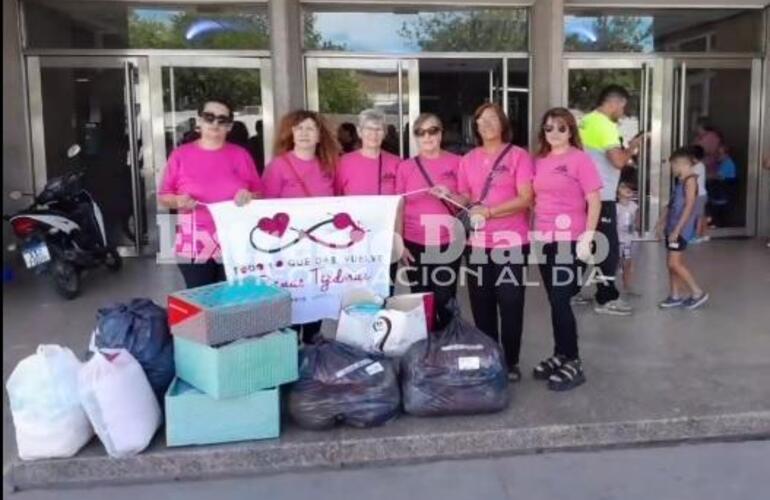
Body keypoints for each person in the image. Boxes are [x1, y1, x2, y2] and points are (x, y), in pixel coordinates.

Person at [440, 103, 534, 382]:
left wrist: (490, 212)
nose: (486, 125)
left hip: (511, 242)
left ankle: (511, 361)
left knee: (511, 301)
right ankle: (490, 357)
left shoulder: (518, 156)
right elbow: (466, 197)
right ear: (476, 127)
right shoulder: (467, 159)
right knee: (481, 303)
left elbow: (526, 198)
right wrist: (448, 195)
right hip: (478, 244)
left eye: (492, 120)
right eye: (481, 121)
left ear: (503, 124)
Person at [531, 108, 602, 391]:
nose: (554, 134)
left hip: (570, 239)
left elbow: (594, 200)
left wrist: (588, 236)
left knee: (561, 300)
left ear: (570, 131)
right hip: (544, 239)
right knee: (554, 300)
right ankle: (560, 352)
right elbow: (534, 199)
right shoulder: (539, 161)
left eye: (561, 128)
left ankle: (573, 360)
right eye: (549, 128)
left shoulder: (579, 159)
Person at [159, 98, 263, 289]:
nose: (215, 123)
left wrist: (248, 196)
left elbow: (259, 194)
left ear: (229, 126)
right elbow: (164, 196)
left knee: (231, 303)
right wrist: (178, 201)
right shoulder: (180, 155)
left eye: (222, 120)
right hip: (195, 242)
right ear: (199, 121)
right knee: (200, 303)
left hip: (235, 241)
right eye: (209, 117)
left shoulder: (241, 155)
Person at [263, 110, 339, 343]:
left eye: (310, 128)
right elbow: (266, 209)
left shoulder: (329, 166)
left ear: (319, 136)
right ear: (291, 134)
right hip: (289, 249)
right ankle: (290, 349)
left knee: (317, 294)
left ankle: (312, 348)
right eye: (299, 128)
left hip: (320, 247)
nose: (304, 133)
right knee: (293, 297)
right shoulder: (278, 166)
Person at [576, 85, 644, 316]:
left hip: (584, 194)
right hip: (601, 196)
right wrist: (632, 148)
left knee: (587, 244)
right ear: (614, 102)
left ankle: (569, 291)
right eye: (622, 107)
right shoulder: (605, 125)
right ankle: (606, 298)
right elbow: (617, 161)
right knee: (608, 248)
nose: (622, 113)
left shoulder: (586, 121)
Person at [395, 113, 462, 329]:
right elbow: (399, 205)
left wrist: (449, 195)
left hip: (447, 241)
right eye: (420, 132)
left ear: (441, 133)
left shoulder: (457, 162)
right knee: (421, 298)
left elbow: (468, 198)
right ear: (415, 137)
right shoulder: (405, 167)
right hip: (414, 241)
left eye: (432, 130)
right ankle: (426, 349)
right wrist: (399, 241)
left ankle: (447, 342)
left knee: (444, 298)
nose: (427, 136)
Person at [336, 109, 402, 294]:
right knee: (355, 293)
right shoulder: (343, 163)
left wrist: (398, 238)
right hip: (354, 242)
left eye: (379, 129)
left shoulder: (397, 163)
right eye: (369, 129)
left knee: (385, 292)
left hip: (386, 239)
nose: (374, 134)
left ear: (385, 133)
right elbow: (336, 202)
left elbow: (400, 205)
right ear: (359, 132)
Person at [656, 148, 709, 310]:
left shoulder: (690, 181)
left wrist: (677, 230)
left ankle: (697, 292)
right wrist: (661, 222)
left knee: (675, 264)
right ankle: (675, 295)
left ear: (682, 164)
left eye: (673, 166)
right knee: (670, 263)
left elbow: (689, 206)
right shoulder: (681, 181)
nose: (672, 169)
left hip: (680, 230)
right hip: (672, 227)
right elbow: (672, 204)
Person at [616, 181, 639, 294]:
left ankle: (627, 285)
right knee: (618, 261)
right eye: (623, 187)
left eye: (629, 187)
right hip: (619, 239)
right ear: (617, 193)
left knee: (628, 262)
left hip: (630, 239)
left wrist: (635, 227)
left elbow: (636, 221)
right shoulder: (616, 207)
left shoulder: (634, 206)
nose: (627, 189)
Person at [687, 145, 711, 243]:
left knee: (698, 216)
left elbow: (691, 178)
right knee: (701, 214)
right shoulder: (697, 165)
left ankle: (697, 235)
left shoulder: (699, 166)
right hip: (699, 194)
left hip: (699, 195)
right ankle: (704, 234)